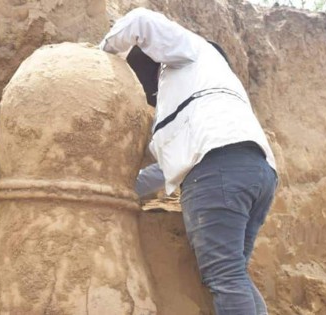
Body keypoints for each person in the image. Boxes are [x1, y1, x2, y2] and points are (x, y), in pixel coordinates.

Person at [100, 8, 278, 315]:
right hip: (254, 171)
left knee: (225, 277)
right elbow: (169, 167)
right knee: (234, 275)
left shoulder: (192, 50)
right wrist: (123, 187)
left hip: (219, 170)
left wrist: (97, 57)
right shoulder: (210, 93)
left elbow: (140, 20)